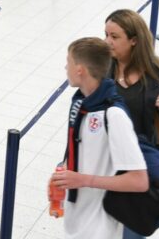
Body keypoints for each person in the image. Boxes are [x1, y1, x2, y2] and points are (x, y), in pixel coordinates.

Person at [51, 37, 149, 239]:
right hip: (78, 218)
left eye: (68, 61)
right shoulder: (82, 103)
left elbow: (140, 181)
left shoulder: (114, 115)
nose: (64, 67)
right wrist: (64, 170)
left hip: (101, 227)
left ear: (80, 70)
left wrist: (83, 180)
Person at [104, 9, 159, 145]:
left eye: (114, 37)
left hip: (148, 154)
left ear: (134, 40)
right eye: (106, 35)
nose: (107, 41)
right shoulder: (104, 68)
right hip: (111, 151)